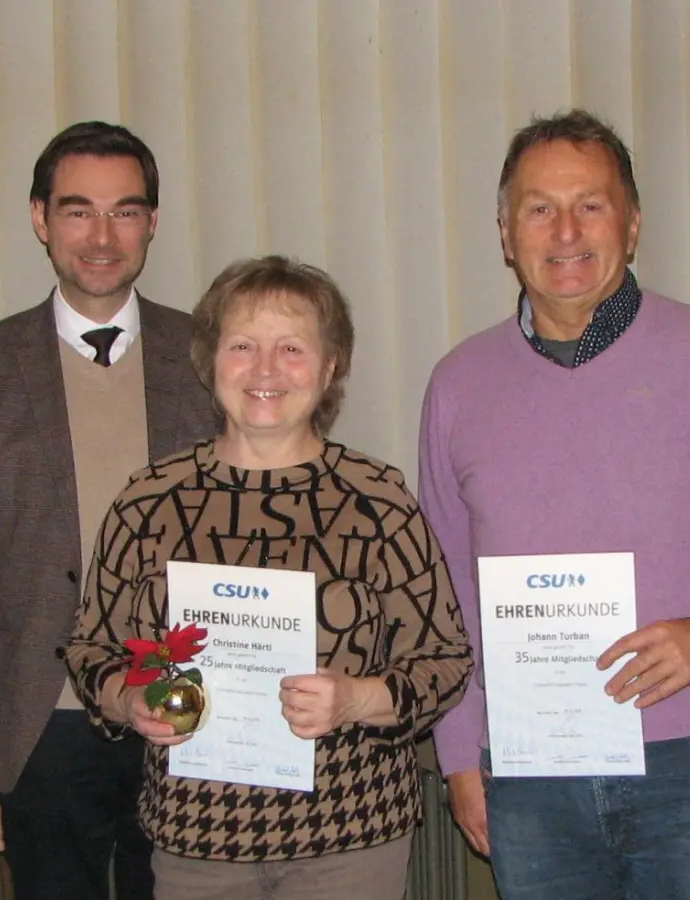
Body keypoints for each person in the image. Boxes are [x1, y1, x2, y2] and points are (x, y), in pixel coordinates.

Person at [422, 109, 690, 900]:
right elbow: (447, 588)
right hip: (529, 768)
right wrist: (460, 753)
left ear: (634, 222)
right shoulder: (458, 384)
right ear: (507, 234)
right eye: (539, 207)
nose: (566, 229)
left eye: (592, 203)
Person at [66, 255, 473, 900]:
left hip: (351, 839)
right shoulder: (149, 500)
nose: (264, 370)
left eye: (290, 348)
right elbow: (92, 648)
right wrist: (129, 698)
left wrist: (355, 699)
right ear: (210, 361)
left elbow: (446, 660)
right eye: (242, 346)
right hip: (197, 840)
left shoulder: (379, 501)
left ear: (330, 365)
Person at [0, 121, 213, 899]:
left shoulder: (210, 357)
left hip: (185, 711)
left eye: (125, 211)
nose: (102, 235)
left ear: (153, 221)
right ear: (40, 219)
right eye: (78, 210)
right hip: (38, 722)